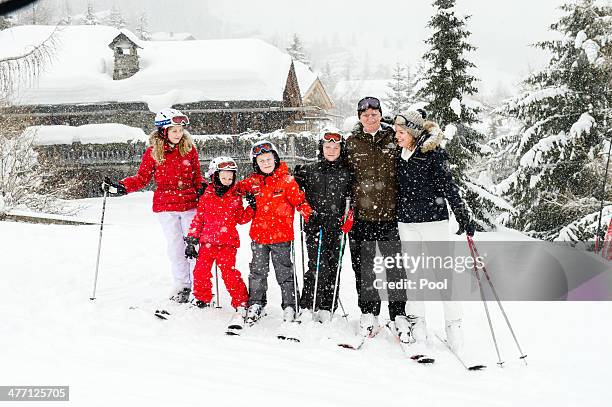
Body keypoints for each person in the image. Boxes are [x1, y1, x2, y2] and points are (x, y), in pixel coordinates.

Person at [102, 108, 204, 303]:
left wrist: (205, 191)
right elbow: (142, 178)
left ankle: (199, 286)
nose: (178, 134)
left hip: (191, 205)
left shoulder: (189, 150)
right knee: (176, 247)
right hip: (166, 207)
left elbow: (197, 177)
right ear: (163, 131)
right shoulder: (153, 152)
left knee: (194, 246)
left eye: (180, 130)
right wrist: (122, 186)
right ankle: (183, 285)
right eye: (174, 130)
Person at [394, 109, 476, 350]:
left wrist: (461, 212)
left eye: (401, 132)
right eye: (396, 132)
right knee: (414, 275)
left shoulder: (433, 154)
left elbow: (448, 186)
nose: (396, 136)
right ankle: (417, 321)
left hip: (433, 222)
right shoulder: (399, 154)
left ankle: (453, 325)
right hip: (406, 223)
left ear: (412, 132)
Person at [346, 96, 407, 336]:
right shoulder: (351, 142)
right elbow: (340, 171)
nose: (370, 118)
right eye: (365, 115)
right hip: (362, 218)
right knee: (364, 268)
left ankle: (398, 314)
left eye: (374, 114)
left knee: (395, 268)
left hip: (390, 216)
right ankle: (368, 312)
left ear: (380, 115)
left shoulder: (394, 138)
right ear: (359, 117)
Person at [236, 140, 313, 325]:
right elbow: (233, 189)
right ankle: (256, 303)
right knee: (257, 272)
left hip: (282, 237)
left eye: (269, 159)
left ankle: (290, 306)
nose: (266, 163)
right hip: (259, 237)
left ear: (276, 159)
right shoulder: (252, 182)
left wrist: (312, 217)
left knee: (284, 273)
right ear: (256, 164)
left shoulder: (287, 181)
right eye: (261, 161)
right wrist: (216, 187)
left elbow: (300, 202)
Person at [184, 156, 252, 328]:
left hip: (227, 243)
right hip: (207, 242)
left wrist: (252, 207)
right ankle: (202, 298)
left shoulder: (235, 196)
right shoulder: (206, 196)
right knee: (200, 272)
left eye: (231, 178)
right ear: (214, 177)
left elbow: (241, 219)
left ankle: (241, 302)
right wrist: (192, 239)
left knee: (229, 273)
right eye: (224, 177)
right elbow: (199, 219)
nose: (228, 181)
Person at [293, 131, 354, 324]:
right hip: (315, 226)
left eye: (336, 147)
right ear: (321, 148)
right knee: (317, 266)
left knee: (334, 265)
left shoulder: (347, 172)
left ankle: (328, 305)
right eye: (327, 147)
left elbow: (354, 198)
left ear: (341, 149)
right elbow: (294, 192)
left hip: (336, 226)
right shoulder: (311, 170)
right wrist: (296, 178)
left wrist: (349, 217)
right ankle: (308, 304)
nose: (331, 150)